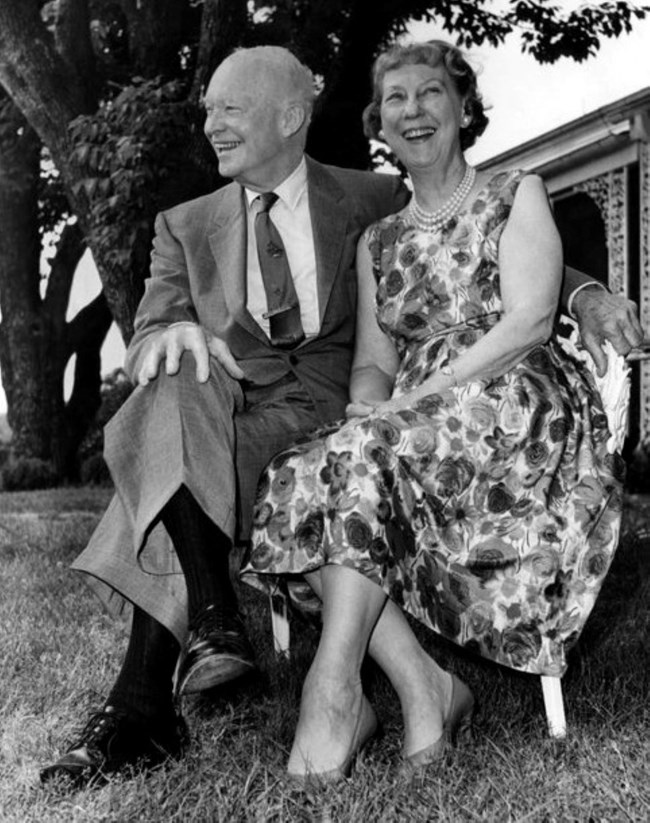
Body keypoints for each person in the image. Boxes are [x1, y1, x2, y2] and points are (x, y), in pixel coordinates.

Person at [40, 44, 641, 787]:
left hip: (350, 413)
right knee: (171, 394)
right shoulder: (185, 224)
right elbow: (150, 331)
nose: (211, 125)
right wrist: (170, 334)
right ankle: (208, 620)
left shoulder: (369, 198)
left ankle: (153, 701)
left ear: (291, 116)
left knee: (193, 470)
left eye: (230, 108)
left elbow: (491, 243)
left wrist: (587, 296)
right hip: (240, 415)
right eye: (207, 110)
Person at [240, 39, 644, 782]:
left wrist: (418, 399)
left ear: (463, 107)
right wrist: (372, 406)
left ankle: (330, 695)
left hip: (514, 403)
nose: (412, 111)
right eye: (395, 99)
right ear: (378, 122)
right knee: (311, 467)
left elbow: (525, 321)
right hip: (414, 417)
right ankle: (419, 689)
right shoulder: (379, 240)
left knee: (360, 460)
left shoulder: (515, 192)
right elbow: (372, 363)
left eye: (429, 93)